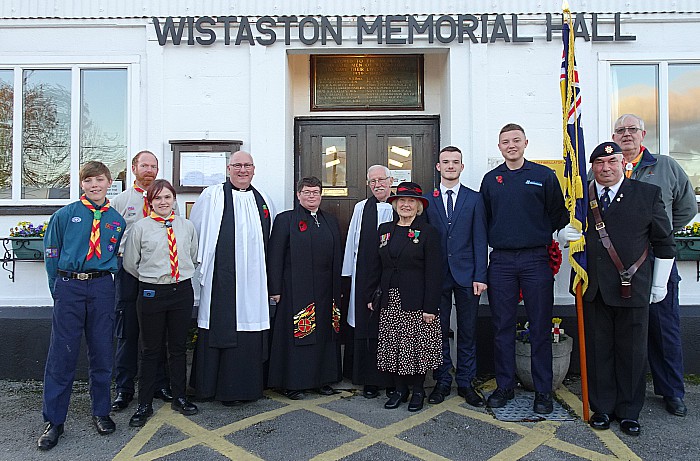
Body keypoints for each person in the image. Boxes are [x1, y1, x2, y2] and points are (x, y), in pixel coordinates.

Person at [565, 141, 675, 436]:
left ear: (623, 163)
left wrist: (659, 284)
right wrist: (565, 234)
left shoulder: (647, 195)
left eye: (612, 162)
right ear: (593, 167)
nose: (606, 168)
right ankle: (602, 408)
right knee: (599, 352)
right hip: (595, 288)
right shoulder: (582, 198)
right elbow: (574, 236)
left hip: (632, 288)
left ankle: (628, 411)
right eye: (599, 163)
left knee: (632, 353)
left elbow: (664, 242)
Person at [480, 123, 568, 414]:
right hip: (502, 261)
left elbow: (559, 214)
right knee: (502, 326)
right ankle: (504, 386)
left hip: (535, 260)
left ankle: (542, 391)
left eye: (516, 140)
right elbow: (486, 219)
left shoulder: (543, 176)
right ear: (499, 147)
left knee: (540, 326)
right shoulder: (491, 180)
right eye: (505, 141)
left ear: (526, 143)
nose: (511, 145)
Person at [611, 114, 696, 417]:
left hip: (657, 260)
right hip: (619, 264)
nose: (627, 135)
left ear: (643, 134)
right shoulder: (607, 168)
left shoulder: (666, 166)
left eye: (632, 129)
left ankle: (672, 391)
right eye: (620, 130)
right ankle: (622, 390)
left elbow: (687, 207)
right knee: (620, 330)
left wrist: (663, 233)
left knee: (664, 328)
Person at [38, 161, 126, 451]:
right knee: (62, 354)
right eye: (88, 180)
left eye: (99, 180)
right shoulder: (65, 215)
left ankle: (101, 411)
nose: (94, 185)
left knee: (102, 350)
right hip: (70, 286)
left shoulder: (116, 220)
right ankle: (54, 420)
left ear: (108, 182)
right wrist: (58, 288)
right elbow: (52, 252)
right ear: (82, 184)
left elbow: (114, 253)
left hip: (101, 286)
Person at [188, 151, 275, 405]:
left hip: (254, 279)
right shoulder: (212, 196)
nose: (242, 170)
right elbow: (197, 231)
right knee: (220, 320)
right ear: (228, 169)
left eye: (247, 165)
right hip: (221, 277)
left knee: (249, 321)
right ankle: (211, 387)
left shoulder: (264, 200)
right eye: (237, 165)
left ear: (254, 169)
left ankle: (245, 388)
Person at [123, 179, 200, 427]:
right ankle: (144, 404)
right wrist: (154, 278)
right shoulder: (141, 228)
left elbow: (193, 255)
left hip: (181, 291)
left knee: (177, 348)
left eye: (167, 197)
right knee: (150, 350)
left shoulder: (186, 226)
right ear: (150, 202)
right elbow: (131, 264)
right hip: (152, 292)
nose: (163, 202)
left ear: (174, 199)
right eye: (158, 198)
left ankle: (179, 396)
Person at [267, 176, 343, 399]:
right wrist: (275, 289)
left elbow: (337, 255)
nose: (312, 196)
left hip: (325, 290)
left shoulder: (329, 220)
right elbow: (275, 257)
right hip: (294, 290)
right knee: (298, 334)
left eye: (316, 192)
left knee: (324, 335)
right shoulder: (285, 220)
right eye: (307, 192)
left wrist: (338, 287)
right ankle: (293, 383)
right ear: (298, 195)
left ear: (321, 195)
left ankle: (322, 380)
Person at [424, 146, 488, 407]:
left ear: (462, 167)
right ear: (438, 167)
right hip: (437, 276)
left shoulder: (474, 199)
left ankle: (465, 381)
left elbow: (480, 239)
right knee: (437, 330)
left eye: (455, 162)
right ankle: (442, 380)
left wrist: (480, 275)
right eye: (445, 162)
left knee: (468, 330)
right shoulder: (429, 200)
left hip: (467, 275)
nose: (450, 166)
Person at [369, 182, 442, 412]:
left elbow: (434, 272)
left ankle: (418, 390)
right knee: (394, 345)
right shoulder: (385, 230)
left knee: (416, 347)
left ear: (419, 206)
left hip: (417, 300)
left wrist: (430, 306)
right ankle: (400, 389)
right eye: (402, 201)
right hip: (390, 298)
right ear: (395, 204)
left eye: (411, 201)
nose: (406, 205)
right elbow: (376, 266)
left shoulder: (428, 232)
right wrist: (372, 295)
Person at [111, 151, 173, 411]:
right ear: (134, 167)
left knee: (158, 332)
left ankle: (159, 384)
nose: (149, 170)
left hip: (157, 274)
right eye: (144, 165)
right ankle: (124, 388)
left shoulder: (165, 198)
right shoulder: (121, 200)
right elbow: (111, 238)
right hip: (129, 274)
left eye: (153, 166)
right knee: (129, 332)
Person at [341, 165, 395, 399]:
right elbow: (353, 240)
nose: (377, 185)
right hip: (364, 275)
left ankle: (394, 378)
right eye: (372, 181)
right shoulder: (361, 208)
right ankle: (369, 379)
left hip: (394, 276)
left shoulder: (401, 204)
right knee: (366, 325)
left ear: (390, 181)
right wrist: (348, 275)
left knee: (392, 327)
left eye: (381, 180)